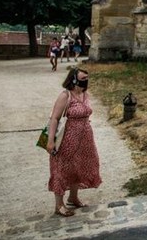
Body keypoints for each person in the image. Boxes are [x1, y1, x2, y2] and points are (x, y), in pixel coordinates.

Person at [47, 67, 102, 217]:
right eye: (82, 79)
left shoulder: (85, 94)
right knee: (62, 168)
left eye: (86, 79)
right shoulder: (65, 96)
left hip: (85, 138)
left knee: (78, 167)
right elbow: (54, 118)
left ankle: (73, 197)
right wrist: (50, 141)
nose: (85, 82)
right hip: (67, 139)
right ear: (73, 79)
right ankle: (59, 205)